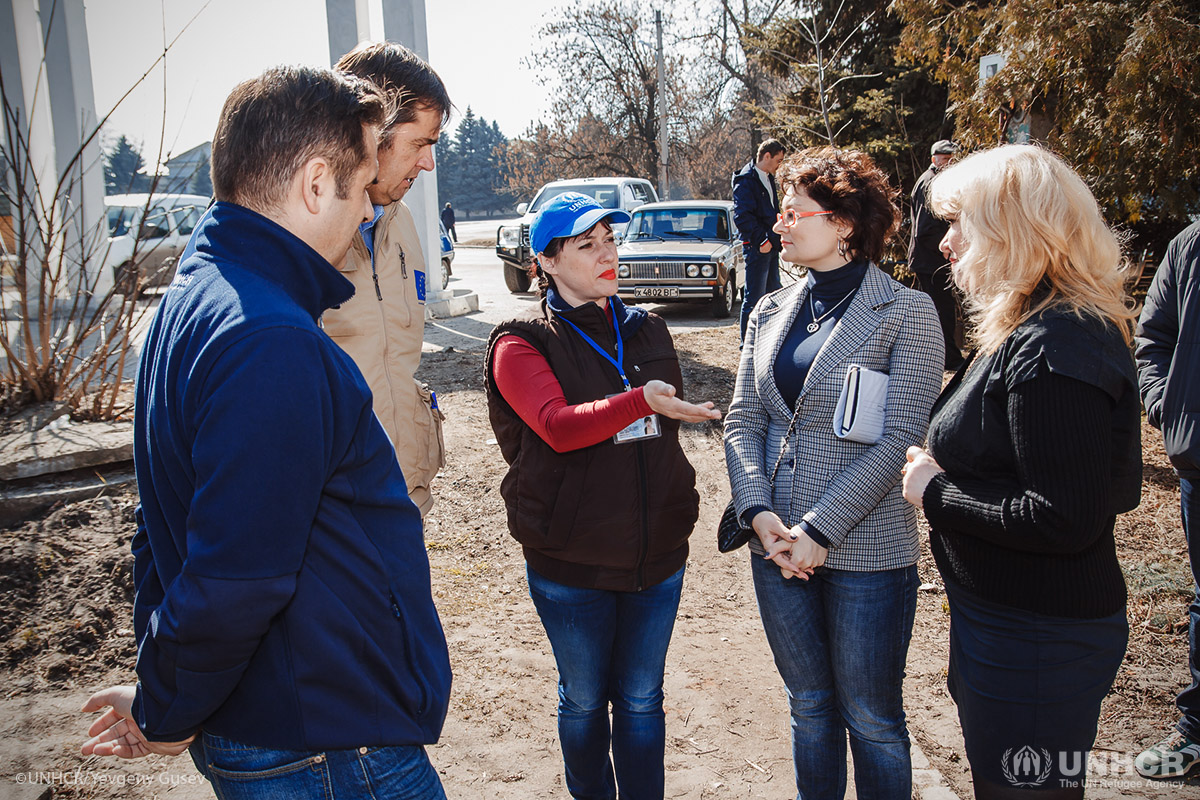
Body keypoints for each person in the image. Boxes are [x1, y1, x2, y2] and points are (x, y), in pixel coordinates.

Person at [79, 66, 452, 799]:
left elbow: (159, 524)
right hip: (329, 746)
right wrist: (167, 709)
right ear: (318, 184)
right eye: (361, 174)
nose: (367, 200)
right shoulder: (269, 339)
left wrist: (167, 691)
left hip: (294, 724)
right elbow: (232, 579)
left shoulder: (201, 293)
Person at [902, 145, 1142, 800]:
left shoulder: (1056, 343)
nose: (945, 243)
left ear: (1013, 226)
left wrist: (936, 491)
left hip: (1036, 641)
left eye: (960, 225)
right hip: (1012, 627)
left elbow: (1061, 518)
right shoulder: (1031, 323)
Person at [485, 192, 721, 799]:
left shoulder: (646, 326)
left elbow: (656, 428)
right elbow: (560, 427)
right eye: (586, 245)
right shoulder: (521, 343)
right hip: (573, 560)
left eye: (610, 240)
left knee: (643, 701)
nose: (606, 254)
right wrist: (639, 401)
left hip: (656, 554)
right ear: (547, 262)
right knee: (586, 702)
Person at [724, 147, 944, 799]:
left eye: (794, 213)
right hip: (777, 549)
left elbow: (901, 437)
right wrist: (760, 516)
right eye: (782, 212)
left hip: (869, 551)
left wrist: (820, 529)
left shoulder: (907, 312)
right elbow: (743, 422)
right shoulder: (768, 312)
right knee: (810, 710)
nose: (779, 225)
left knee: (872, 721)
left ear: (843, 223)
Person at [324, 41, 451, 516]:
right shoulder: (304, 232)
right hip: (337, 513)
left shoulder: (400, 222)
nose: (427, 163)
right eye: (420, 143)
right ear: (372, 131)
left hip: (403, 499)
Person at [1134, 218, 1200, 779]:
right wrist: (1170, 407)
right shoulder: (1191, 243)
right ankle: (1198, 732)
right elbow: (1154, 337)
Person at [908, 139, 964, 369]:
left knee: (937, 312)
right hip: (930, 260)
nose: (951, 164)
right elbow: (924, 229)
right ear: (935, 160)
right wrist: (946, 250)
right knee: (942, 312)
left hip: (930, 258)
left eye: (954, 159)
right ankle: (948, 358)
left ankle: (941, 357)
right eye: (946, 159)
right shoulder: (930, 183)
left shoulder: (936, 181)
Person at [733, 138, 785, 341]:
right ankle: (747, 343)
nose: (779, 165)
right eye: (778, 160)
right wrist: (761, 241)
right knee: (754, 298)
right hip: (758, 247)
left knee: (774, 295)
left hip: (771, 246)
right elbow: (742, 216)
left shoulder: (767, 177)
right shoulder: (746, 179)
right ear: (767, 156)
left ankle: (770, 339)